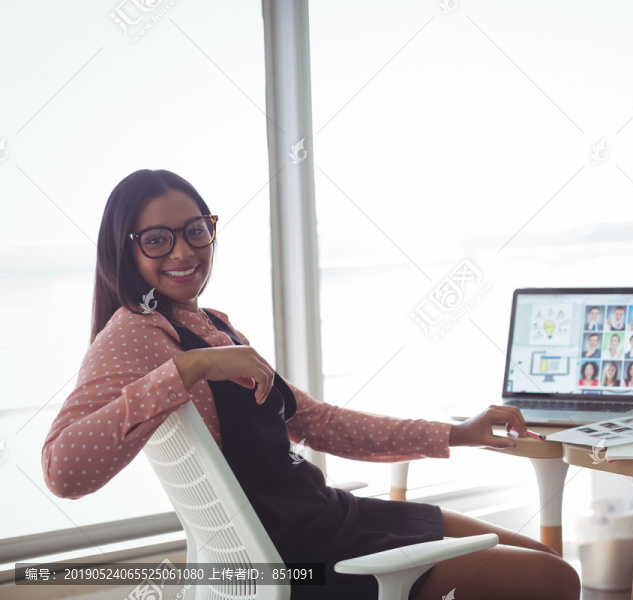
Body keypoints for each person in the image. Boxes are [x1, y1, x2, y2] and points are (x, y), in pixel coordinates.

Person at [41, 170, 580, 600]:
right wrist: (190, 370)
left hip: (329, 515)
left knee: (547, 560)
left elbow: (319, 423)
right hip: (303, 555)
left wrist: (459, 434)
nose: (183, 252)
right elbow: (62, 471)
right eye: (157, 240)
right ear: (126, 250)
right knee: (556, 583)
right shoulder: (134, 333)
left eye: (195, 230)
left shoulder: (213, 323)